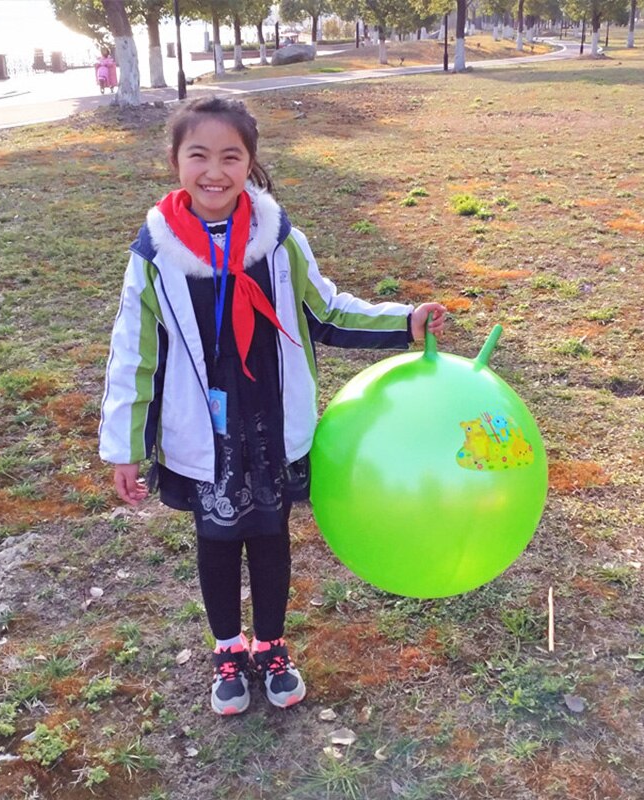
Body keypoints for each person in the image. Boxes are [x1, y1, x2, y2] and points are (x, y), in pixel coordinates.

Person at [99, 96, 445, 716]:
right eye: (197, 154)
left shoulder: (278, 241)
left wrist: (407, 320)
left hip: (270, 423)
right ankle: (228, 650)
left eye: (231, 156)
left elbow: (328, 311)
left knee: (270, 538)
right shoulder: (154, 256)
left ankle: (272, 647)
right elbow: (135, 355)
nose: (214, 170)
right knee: (215, 539)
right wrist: (124, 449)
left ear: (250, 162)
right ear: (175, 162)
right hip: (205, 432)